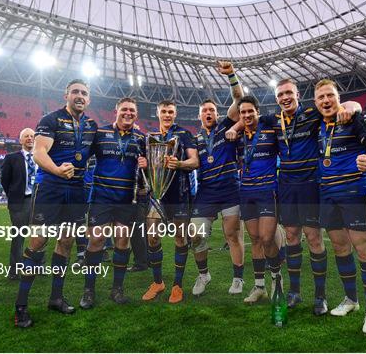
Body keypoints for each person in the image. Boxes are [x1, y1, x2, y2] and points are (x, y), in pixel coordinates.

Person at [227, 79, 358, 315]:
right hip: (286, 185)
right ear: (276, 99)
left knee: (314, 238)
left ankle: (320, 297)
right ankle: (294, 292)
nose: (285, 97)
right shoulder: (272, 120)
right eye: (280, 94)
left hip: (309, 185)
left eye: (289, 93)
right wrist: (235, 128)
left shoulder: (312, 113)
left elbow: (345, 104)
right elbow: (247, 118)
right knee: (291, 236)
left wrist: (353, 107)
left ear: (298, 94)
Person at [13, 79, 98, 328]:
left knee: (66, 242)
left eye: (84, 92)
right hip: (51, 187)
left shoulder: (91, 126)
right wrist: (58, 171)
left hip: (77, 190)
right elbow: (39, 152)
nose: (79, 96)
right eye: (75, 92)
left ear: (89, 99)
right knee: (38, 243)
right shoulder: (51, 119)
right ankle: (21, 306)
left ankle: (56, 297)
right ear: (66, 95)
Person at [314, 79, 366, 335]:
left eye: (330, 96)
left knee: (365, 250)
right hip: (328, 196)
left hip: (355, 192)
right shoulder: (316, 124)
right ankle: (351, 300)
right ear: (315, 103)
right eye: (320, 97)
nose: (325, 101)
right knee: (340, 248)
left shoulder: (354, 119)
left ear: (337, 97)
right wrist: (351, 104)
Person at [79, 97, 147, 309]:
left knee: (122, 243)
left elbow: (148, 171)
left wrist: (147, 164)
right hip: (101, 198)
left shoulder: (141, 138)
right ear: (116, 110)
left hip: (127, 200)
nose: (128, 113)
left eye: (132, 111)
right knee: (96, 241)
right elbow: (82, 157)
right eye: (124, 109)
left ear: (136, 114)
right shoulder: (100, 134)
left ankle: (117, 289)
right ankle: (89, 290)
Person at [190, 61, 245, 297]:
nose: (209, 113)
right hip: (206, 192)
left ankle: (238, 279)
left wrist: (231, 75)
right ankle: (204, 275)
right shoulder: (194, 139)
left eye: (212, 110)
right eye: (205, 111)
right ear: (199, 116)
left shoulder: (226, 126)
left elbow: (239, 99)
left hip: (230, 189)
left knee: (232, 235)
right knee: (196, 234)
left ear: (217, 113)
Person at [142, 100, 199, 304]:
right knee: (152, 238)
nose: (167, 115)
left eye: (171, 112)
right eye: (164, 111)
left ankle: (177, 285)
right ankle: (158, 282)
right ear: (157, 113)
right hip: (156, 196)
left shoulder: (184, 135)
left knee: (180, 239)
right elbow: (146, 166)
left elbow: (195, 161)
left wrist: (179, 163)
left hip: (179, 195)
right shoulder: (151, 137)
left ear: (175, 114)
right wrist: (145, 164)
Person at [235, 95, 282, 304]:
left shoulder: (270, 129)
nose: (246, 115)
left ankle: (276, 279)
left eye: (249, 111)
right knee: (254, 239)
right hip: (246, 192)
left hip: (267, 190)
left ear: (257, 111)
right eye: (242, 112)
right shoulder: (236, 135)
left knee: (266, 238)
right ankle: (259, 286)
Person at [0, 128, 36, 280]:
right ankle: (14, 270)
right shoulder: (11, 158)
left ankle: (36, 266)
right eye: (26, 136)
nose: (29, 138)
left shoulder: (41, 157)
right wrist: (14, 195)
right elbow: (4, 180)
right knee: (19, 236)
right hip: (21, 202)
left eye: (32, 136)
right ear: (20, 140)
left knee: (40, 236)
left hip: (39, 201)